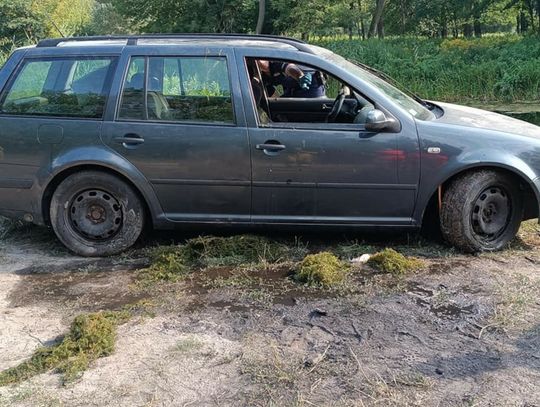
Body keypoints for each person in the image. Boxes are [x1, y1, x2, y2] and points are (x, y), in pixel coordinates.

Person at [256, 60, 326, 98]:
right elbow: (271, 96)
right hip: (292, 90)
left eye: (261, 61)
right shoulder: (260, 74)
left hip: (310, 88)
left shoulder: (275, 62)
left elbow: (290, 68)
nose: (260, 63)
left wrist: (300, 77)